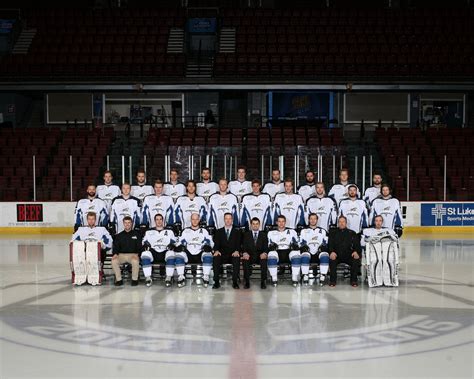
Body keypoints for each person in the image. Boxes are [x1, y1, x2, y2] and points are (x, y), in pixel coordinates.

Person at [71, 212, 112, 285]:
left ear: (95, 220)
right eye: (89, 219)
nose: (91, 221)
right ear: (87, 220)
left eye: (93, 219)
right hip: (84, 252)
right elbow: (73, 241)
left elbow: (109, 241)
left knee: (101, 252)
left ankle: (98, 271)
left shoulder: (102, 229)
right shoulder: (81, 230)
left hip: (98, 252)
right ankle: (81, 273)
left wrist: (103, 245)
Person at [176, 213, 214, 287]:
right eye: (193, 219)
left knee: (208, 255)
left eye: (196, 219)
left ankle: (205, 276)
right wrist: (179, 246)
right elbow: (178, 242)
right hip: (188, 254)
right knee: (179, 255)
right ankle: (181, 277)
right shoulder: (185, 231)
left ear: (199, 220)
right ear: (190, 220)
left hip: (200, 254)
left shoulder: (204, 231)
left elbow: (211, 242)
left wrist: (209, 246)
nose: (195, 221)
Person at [361, 215, 399, 287]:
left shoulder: (389, 231)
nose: (378, 222)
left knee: (388, 260)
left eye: (380, 221)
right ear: (374, 222)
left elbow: (396, 241)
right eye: (376, 221)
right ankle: (375, 281)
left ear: (382, 222)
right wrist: (369, 239)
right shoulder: (368, 231)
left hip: (387, 253)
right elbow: (362, 242)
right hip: (373, 254)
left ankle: (390, 281)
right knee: (376, 260)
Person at [140, 214, 178, 287]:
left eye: (160, 219)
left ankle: (168, 277)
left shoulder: (169, 231)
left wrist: (173, 245)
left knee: (171, 253)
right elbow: (143, 242)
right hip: (153, 252)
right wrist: (145, 245)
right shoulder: (149, 231)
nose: (159, 221)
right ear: (154, 221)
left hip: (165, 251)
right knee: (145, 254)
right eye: (157, 219)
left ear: (163, 220)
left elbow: (175, 242)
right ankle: (148, 277)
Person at [267, 215, 301, 287]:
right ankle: (274, 278)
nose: (281, 223)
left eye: (283, 221)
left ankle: (294, 278)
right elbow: (268, 244)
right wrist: (271, 246)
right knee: (271, 254)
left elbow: (298, 243)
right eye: (279, 221)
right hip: (277, 252)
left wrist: (295, 245)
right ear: (276, 222)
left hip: (288, 252)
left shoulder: (292, 231)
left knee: (296, 254)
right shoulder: (270, 233)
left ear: (285, 222)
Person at [328, 216, 362, 287]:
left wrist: (356, 252)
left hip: (349, 255)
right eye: (340, 222)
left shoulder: (352, 233)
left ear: (346, 223)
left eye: (343, 222)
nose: (341, 223)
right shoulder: (333, 233)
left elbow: (357, 246)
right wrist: (331, 252)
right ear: (338, 223)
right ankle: (332, 281)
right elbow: (330, 244)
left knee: (355, 260)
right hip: (337, 255)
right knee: (332, 260)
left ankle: (354, 280)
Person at [212, 213, 242, 289]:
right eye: (226, 218)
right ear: (224, 220)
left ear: (232, 220)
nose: (228, 220)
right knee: (216, 258)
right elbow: (216, 244)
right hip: (222, 254)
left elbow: (239, 244)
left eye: (229, 219)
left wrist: (237, 251)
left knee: (236, 258)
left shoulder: (237, 232)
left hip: (233, 254)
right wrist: (216, 251)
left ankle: (235, 282)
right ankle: (216, 282)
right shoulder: (219, 232)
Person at [299, 213, 330, 285]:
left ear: (317, 220)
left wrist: (323, 247)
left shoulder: (323, 231)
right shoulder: (303, 231)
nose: (313, 220)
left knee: (325, 255)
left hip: (319, 252)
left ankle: (323, 276)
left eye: (314, 219)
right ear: (309, 220)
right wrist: (304, 247)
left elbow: (326, 242)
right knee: (304, 256)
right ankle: (305, 275)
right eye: (311, 219)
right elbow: (300, 242)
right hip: (308, 252)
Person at [111, 216, 142, 286]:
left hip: (133, 255)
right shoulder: (119, 235)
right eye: (125, 223)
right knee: (114, 261)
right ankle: (119, 280)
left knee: (135, 261)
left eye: (129, 223)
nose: (127, 224)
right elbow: (116, 246)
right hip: (121, 255)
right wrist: (115, 254)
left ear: (131, 224)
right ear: (123, 224)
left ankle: (134, 279)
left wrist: (137, 254)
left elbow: (139, 246)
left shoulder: (137, 234)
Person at [241, 217, 269, 289]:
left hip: (260, 256)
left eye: (257, 224)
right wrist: (244, 253)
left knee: (264, 261)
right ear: (251, 225)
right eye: (253, 224)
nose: (255, 225)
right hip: (249, 256)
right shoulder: (246, 235)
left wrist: (265, 253)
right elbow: (244, 247)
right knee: (245, 260)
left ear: (259, 225)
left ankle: (263, 281)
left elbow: (266, 247)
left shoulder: (264, 235)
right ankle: (247, 281)